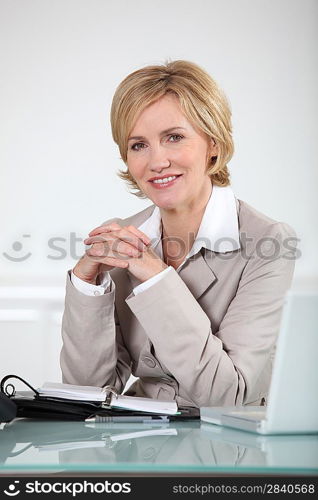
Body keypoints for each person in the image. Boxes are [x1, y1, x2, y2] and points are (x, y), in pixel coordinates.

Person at [60, 60, 297, 408]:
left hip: (227, 450)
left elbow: (227, 396)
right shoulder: (126, 237)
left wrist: (156, 277)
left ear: (213, 144)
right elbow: (87, 395)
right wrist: (86, 283)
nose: (156, 162)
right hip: (136, 445)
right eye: (138, 145)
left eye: (174, 138)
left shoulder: (269, 243)